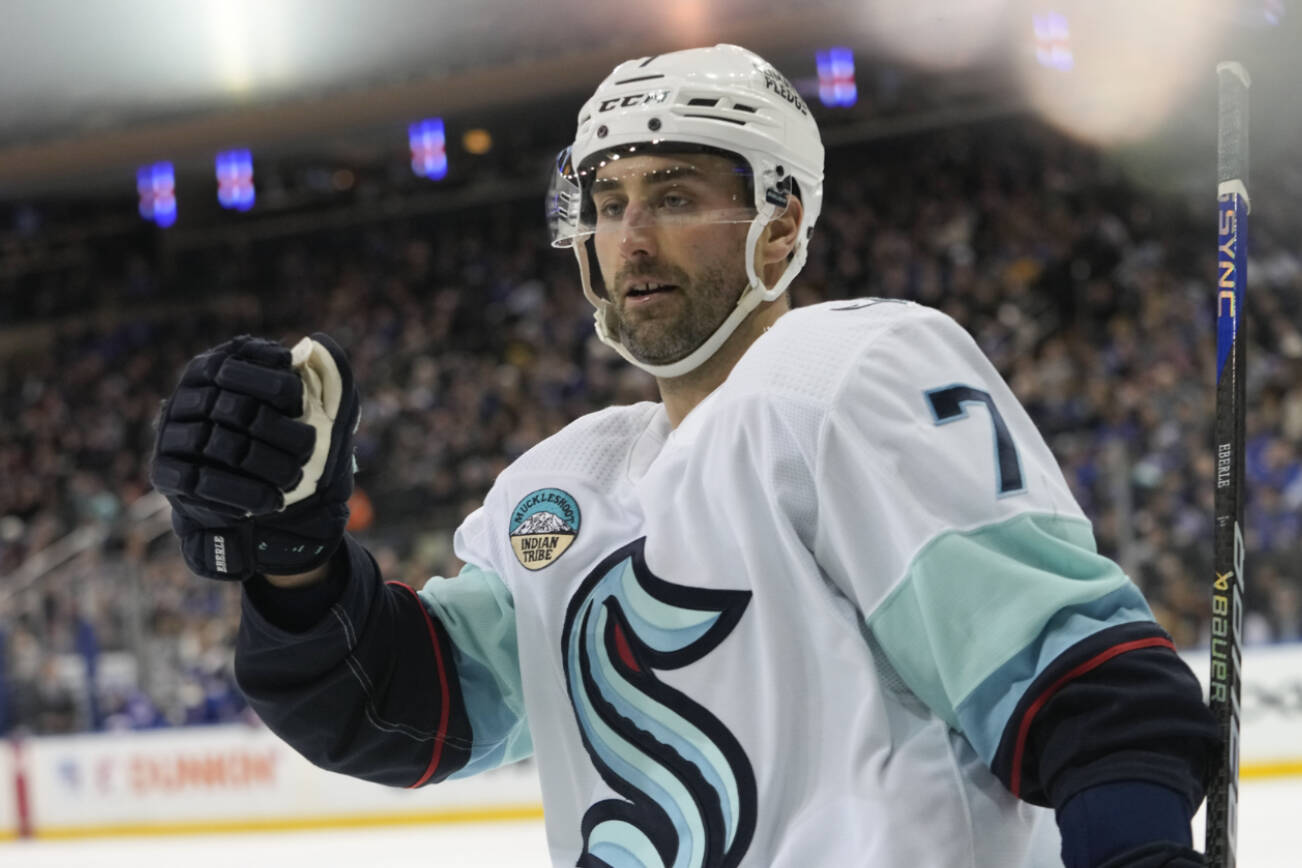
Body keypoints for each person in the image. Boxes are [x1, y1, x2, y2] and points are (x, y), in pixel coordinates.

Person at [150, 44, 1218, 868]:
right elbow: (401, 714)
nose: (631, 241)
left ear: (781, 223)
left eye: (673, 196)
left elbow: (1081, 682)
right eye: (608, 207)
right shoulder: (557, 488)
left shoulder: (844, 372)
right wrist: (292, 563)